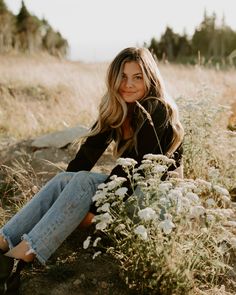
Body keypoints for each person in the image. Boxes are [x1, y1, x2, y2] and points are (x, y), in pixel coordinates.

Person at [0, 47, 184, 294]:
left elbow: (136, 166)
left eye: (137, 77)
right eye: (123, 77)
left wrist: (94, 209)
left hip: (155, 199)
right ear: (114, 79)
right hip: (131, 188)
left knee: (85, 183)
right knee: (70, 178)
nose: (128, 84)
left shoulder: (156, 109)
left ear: (150, 78)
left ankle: (24, 255)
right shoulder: (117, 107)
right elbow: (87, 154)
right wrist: (67, 182)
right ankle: (4, 240)